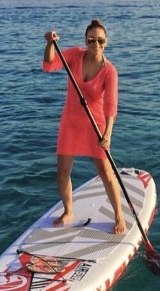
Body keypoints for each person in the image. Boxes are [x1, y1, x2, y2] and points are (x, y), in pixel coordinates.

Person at [43, 20, 126, 234]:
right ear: (85, 41)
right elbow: (50, 65)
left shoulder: (109, 71)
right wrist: (50, 44)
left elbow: (111, 105)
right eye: (91, 40)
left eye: (100, 40)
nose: (95, 44)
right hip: (70, 122)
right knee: (62, 171)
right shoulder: (74, 55)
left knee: (105, 171)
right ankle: (68, 211)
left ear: (105, 43)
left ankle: (119, 214)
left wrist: (107, 133)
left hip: (95, 124)